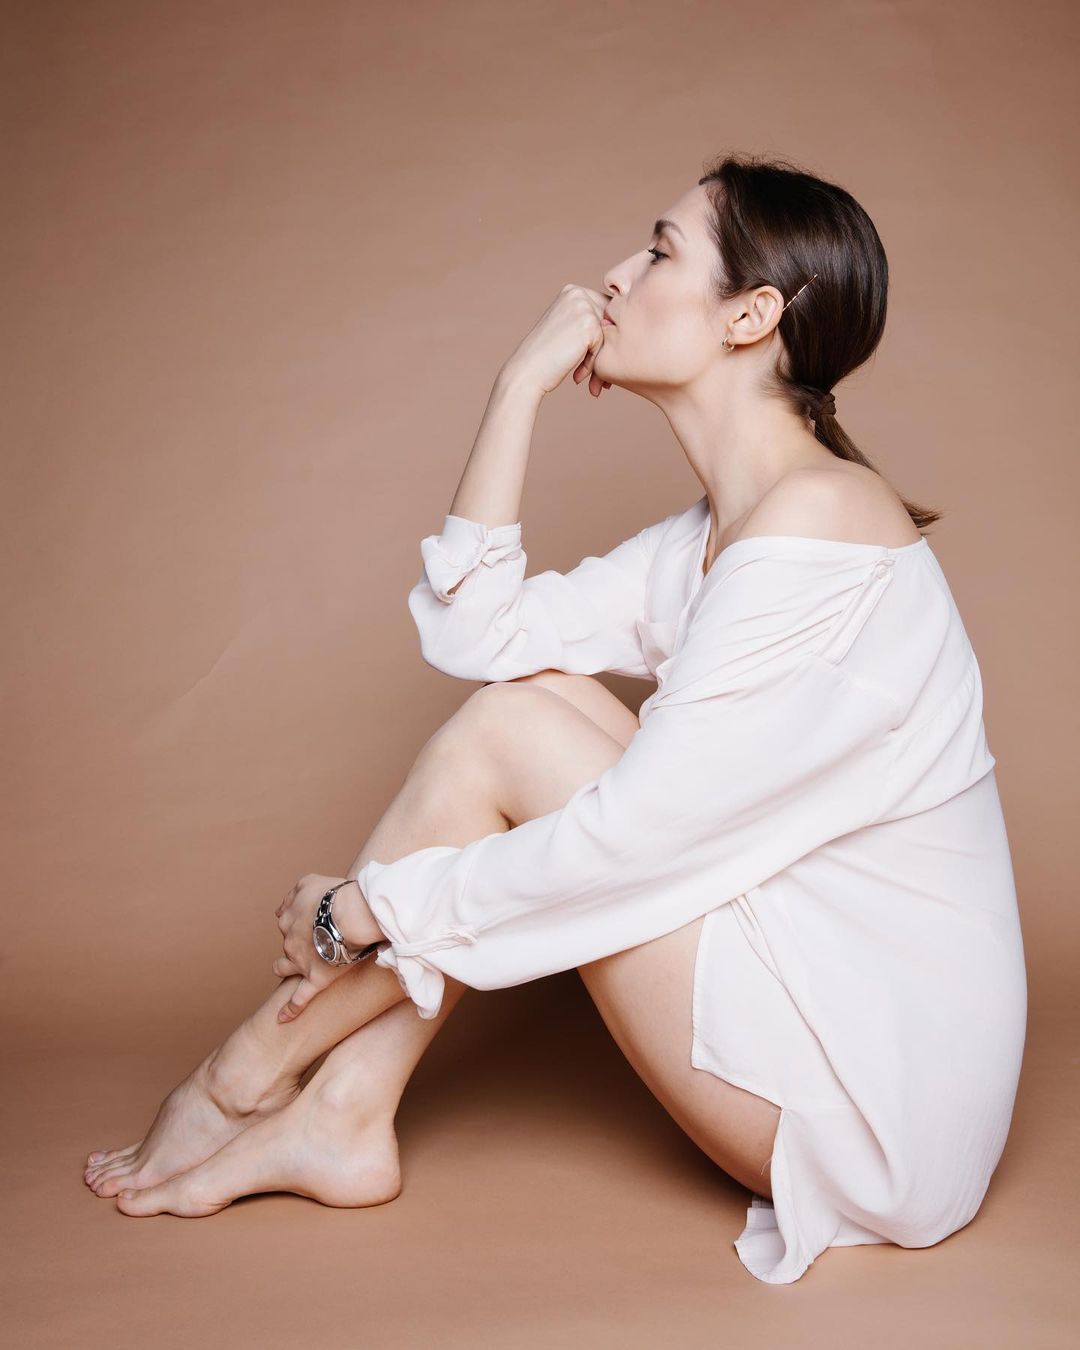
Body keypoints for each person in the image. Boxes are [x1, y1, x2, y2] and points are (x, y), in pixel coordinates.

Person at [83, 152, 1027, 1286]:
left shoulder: (818, 528)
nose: (617, 277)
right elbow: (477, 635)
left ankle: (239, 1080)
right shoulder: (720, 535)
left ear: (750, 317)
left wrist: (365, 908)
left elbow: (627, 844)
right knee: (523, 704)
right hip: (816, 993)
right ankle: (340, 1109)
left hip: (876, 1107)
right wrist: (517, 388)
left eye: (661, 252)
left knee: (514, 737)